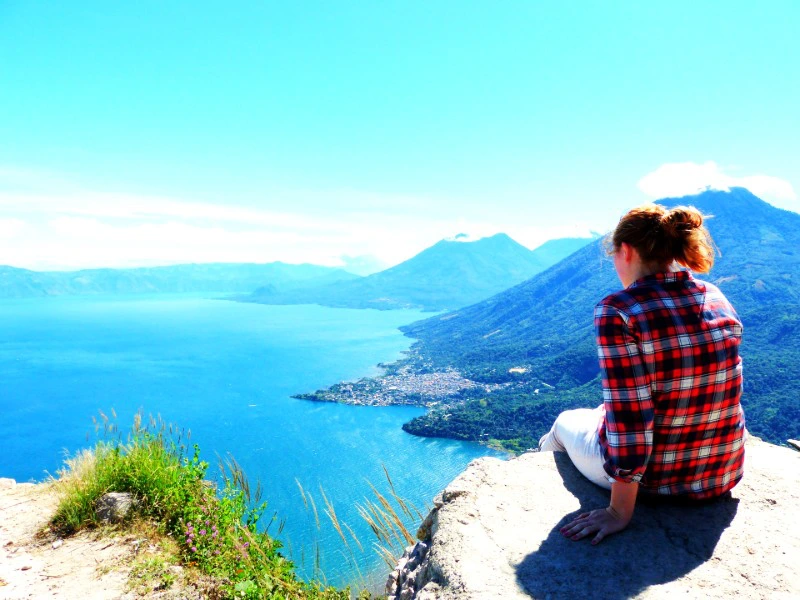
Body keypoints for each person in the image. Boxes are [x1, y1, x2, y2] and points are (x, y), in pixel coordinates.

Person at [537, 203, 746, 545]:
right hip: (720, 475)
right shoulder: (716, 297)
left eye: (615, 256)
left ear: (627, 251)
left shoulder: (619, 311)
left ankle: (535, 484)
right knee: (600, 413)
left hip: (655, 482)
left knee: (563, 423)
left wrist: (619, 512)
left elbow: (630, 419)